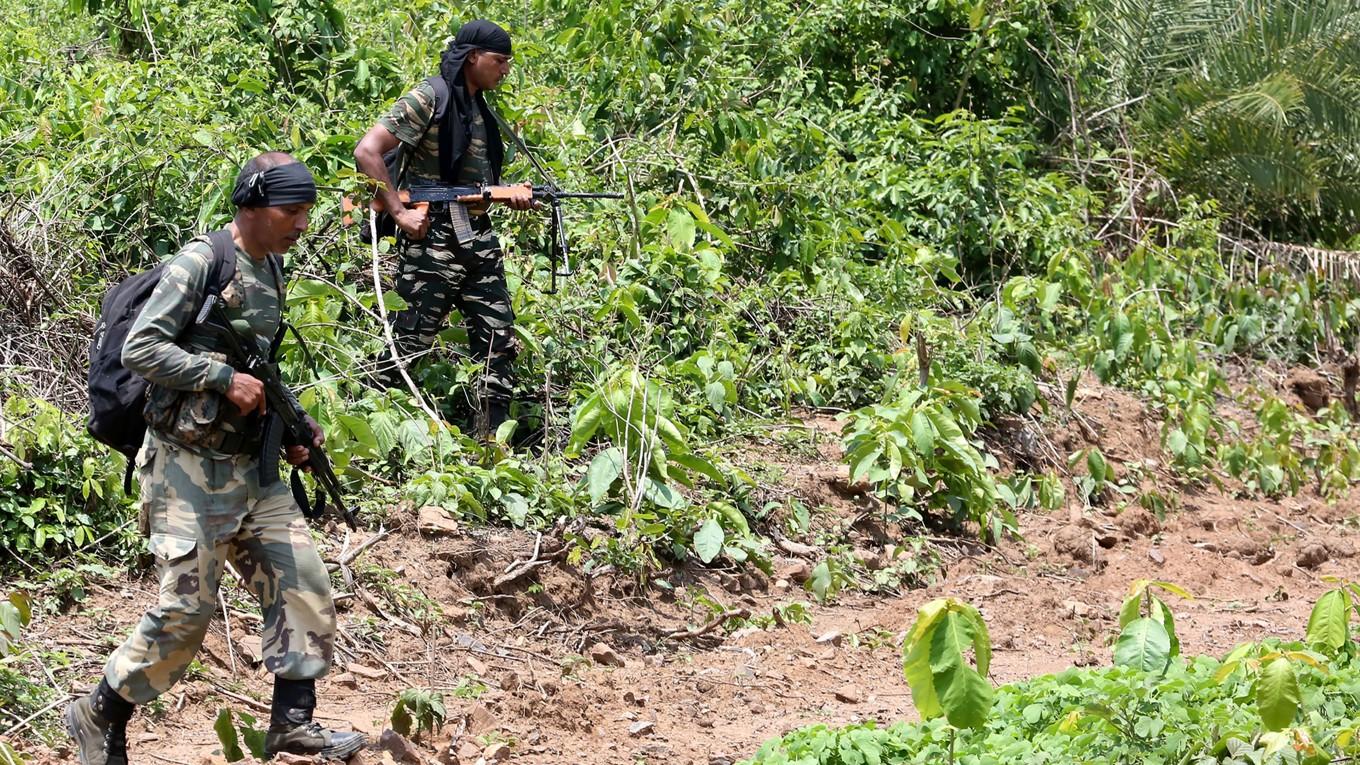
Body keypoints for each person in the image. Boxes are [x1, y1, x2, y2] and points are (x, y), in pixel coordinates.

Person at [65, 153, 365, 765]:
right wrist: (220, 377)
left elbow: (258, 362)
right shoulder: (200, 264)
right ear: (250, 205)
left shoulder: (271, 265)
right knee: (184, 612)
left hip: (252, 469)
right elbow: (141, 348)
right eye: (291, 209)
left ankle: (292, 725)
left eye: (307, 210)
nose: (302, 222)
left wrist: (291, 425)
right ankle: (99, 713)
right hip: (187, 468)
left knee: (302, 583)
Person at [354, 19, 533, 436]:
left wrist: (512, 194)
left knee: (498, 339)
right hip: (432, 238)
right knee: (409, 343)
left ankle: (491, 439)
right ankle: (377, 432)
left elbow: (473, 184)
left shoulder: (479, 107)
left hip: (477, 236)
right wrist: (399, 213)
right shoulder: (429, 96)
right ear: (473, 57)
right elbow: (368, 150)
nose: (505, 69)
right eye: (499, 61)